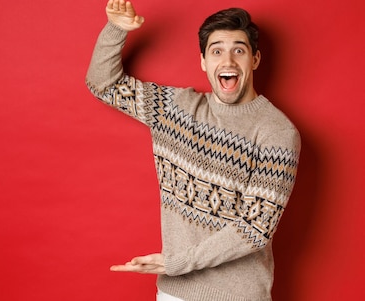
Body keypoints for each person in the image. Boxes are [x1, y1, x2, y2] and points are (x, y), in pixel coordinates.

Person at [85, 1, 301, 300]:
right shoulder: (175, 110)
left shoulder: (277, 132)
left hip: (236, 296)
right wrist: (116, 29)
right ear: (203, 62)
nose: (228, 60)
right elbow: (103, 84)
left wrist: (177, 263)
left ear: (255, 59)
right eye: (216, 51)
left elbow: (255, 228)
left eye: (239, 50)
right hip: (173, 293)